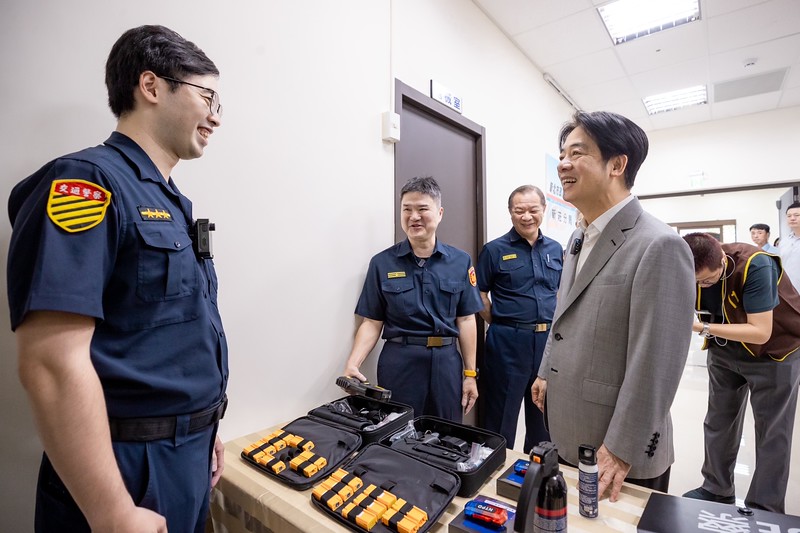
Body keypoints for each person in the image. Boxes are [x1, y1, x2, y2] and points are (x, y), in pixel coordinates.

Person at [7, 25, 228, 532]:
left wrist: (200, 426)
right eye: (207, 97)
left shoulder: (170, 201)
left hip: (186, 455)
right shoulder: (86, 182)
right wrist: (111, 511)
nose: (216, 116)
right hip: (125, 468)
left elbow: (164, 338)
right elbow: (50, 361)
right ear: (151, 86)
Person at [530, 111, 696, 501]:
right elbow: (564, 313)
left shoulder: (659, 245)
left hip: (617, 452)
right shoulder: (578, 237)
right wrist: (546, 371)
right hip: (571, 429)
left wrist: (621, 448)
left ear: (617, 165)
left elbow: (657, 362)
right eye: (562, 154)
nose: (563, 164)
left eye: (577, 153)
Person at [343, 176, 483, 421]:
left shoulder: (461, 261)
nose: (413, 216)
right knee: (397, 431)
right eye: (406, 209)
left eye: (422, 209)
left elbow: (466, 320)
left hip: (446, 362)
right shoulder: (382, 263)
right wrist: (353, 363)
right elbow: (372, 322)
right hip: (399, 362)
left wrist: (470, 374)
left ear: (439, 213)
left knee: (447, 431)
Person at [681, 233, 800, 513]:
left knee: (772, 431)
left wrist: (701, 327)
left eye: (707, 281)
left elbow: (760, 332)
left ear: (722, 261)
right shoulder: (686, 265)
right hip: (725, 349)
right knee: (718, 421)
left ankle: (765, 505)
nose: (702, 285)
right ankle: (716, 488)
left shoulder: (756, 264)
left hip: (774, 352)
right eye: (696, 282)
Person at [476, 185, 562, 451]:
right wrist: (500, 322)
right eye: (519, 211)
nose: (526, 217)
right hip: (507, 343)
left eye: (533, 210)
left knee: (543, 418)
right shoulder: (494, 250)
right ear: (510, 212)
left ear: (543, 210)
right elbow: (479, 294)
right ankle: (495, 467)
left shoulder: (556, 249)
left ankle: (539, 470)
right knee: (500, 418)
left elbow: (561, 292)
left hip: (547, 342)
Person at [779, 202, 800, 291]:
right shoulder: (784, 242)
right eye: (789, 216)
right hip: (787, 291)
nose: (792, 218)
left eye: (797, 215)